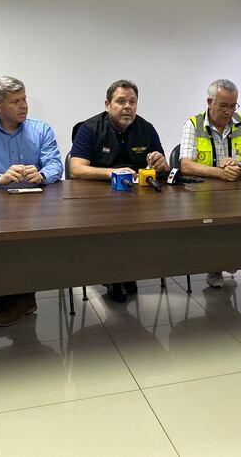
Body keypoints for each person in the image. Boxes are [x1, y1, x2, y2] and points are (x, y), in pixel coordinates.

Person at [0, 76, 63, 326]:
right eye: (15, 101)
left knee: (31, 239)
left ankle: (23, 297)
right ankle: (10, 291)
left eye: (24, 99)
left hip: (36, 207)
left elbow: (56, 164)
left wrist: (42, 175)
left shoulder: (41, 129)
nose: (24, 105)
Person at [70, 79, 169, 302]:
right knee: (112, 228)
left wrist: (161, 165)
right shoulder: (89, 128)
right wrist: (112, 173)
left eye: (132, 102)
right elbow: (76, 169)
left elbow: (163, 168)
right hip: (97, 197)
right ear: (107, 104)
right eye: (121, 101)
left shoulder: (146, 128)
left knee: (143, 224)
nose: (127, 107)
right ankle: (114, 277)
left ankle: (128, 271)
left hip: (136, 197)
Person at [179, 79, 241, 288]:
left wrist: (239, 165)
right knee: (213, 224)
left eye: (233, 105)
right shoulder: (194, 124)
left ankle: (229, 256)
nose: (229, 111)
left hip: (235, 192)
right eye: (224, 105)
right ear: (209, 102)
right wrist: (219, 173)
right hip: (203, 193)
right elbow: (186, 165)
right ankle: (215, 266)